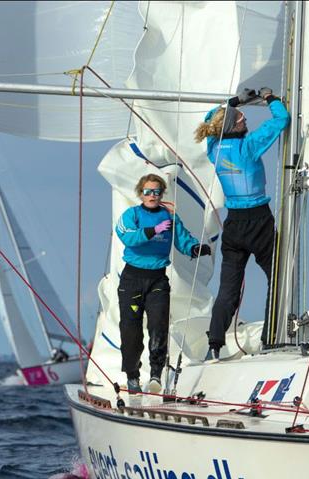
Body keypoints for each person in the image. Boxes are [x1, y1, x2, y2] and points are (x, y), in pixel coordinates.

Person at [194, 87, 290, 358]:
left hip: (233, 225)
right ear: (235, 124)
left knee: (228, 291)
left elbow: (212, 117)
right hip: (258, 220)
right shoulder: (248, 146)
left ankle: (214, 343)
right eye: (242, 117)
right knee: (278, 280)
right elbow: (280, 121)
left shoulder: (213, 147)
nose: (247, 120)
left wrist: (236, 101)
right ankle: (271, 337)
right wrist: (270, 98)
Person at [115, 174, 211, 394]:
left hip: (157, 278)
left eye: (156, 192)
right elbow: (128, 237)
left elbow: (183, 239)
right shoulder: (132, 215)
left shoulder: (170, 217)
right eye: (147, 191)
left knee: (158, 327)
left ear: (161, 194)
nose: (152, 196)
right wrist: (154, 230)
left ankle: (156, 374)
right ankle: (132, 375)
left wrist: (195, 248)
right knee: (131, 331)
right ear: (141, 193)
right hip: (132, 280)